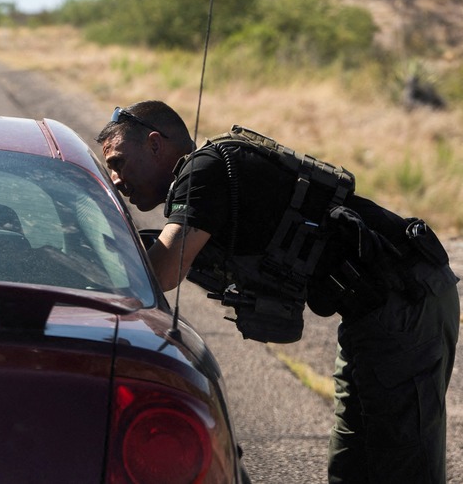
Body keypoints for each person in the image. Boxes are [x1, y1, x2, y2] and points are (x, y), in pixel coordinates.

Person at [96, 100, 460, 484]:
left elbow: (164, 270)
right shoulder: (209, 179)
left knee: (401, 461)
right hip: (370, 312)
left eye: (118, 162)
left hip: (408, 301)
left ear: (155, 144)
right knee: (354, 460)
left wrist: (90, 258)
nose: (117, 179)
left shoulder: (204, 171)